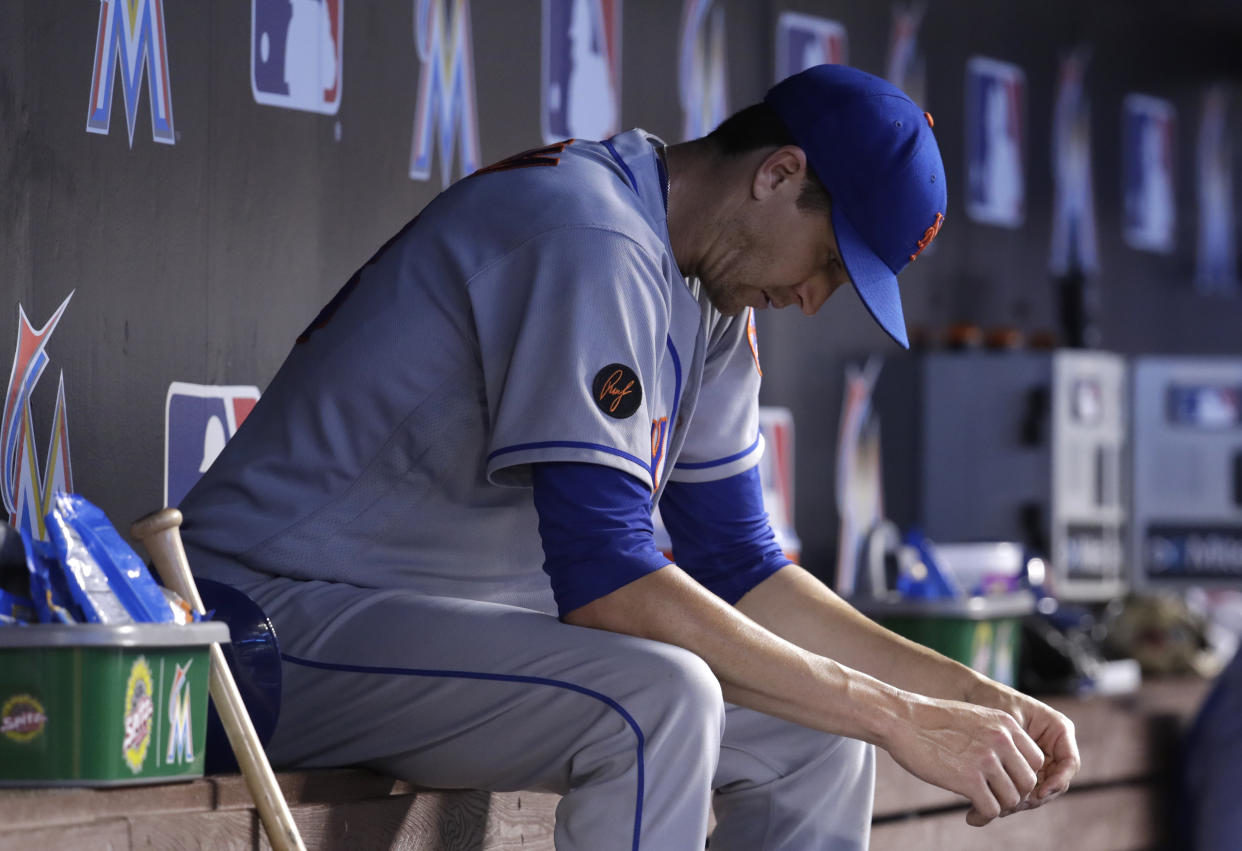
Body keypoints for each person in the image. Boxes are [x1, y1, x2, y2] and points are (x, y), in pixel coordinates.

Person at [179, 65, 1079, 850]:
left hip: (413, 625)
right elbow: (609, 582)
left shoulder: (711, 300)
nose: (813, 298)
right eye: (833, 262)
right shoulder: (592, 234)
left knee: (817, 736)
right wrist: (899, 713)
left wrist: (975, 698)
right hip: (261, 627)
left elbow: (740, 567)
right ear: (778, 173)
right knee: (662, 698)